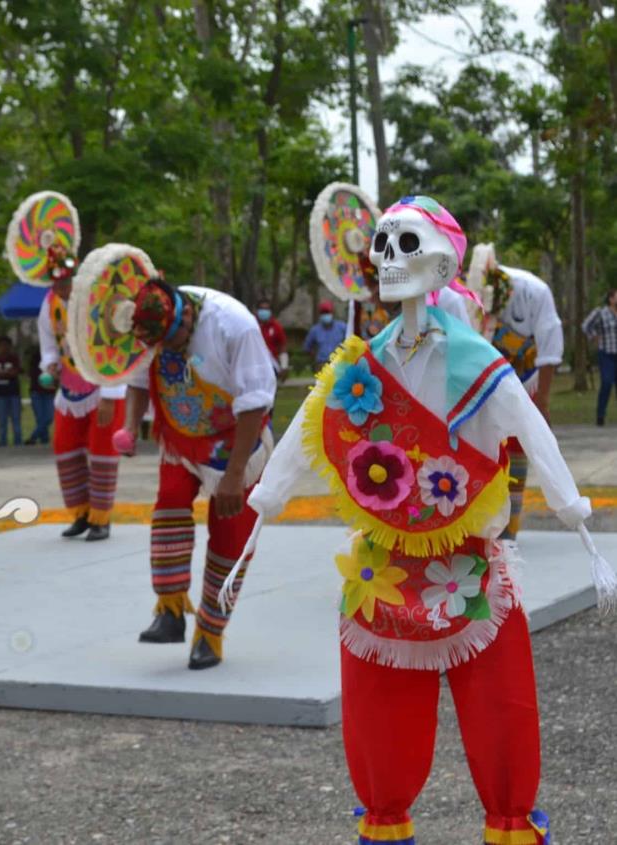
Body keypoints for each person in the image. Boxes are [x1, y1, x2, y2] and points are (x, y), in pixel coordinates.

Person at [229, 196, 611, 845]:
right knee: (380, 717)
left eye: (404, 244)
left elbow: (530, 429)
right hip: (379, 567)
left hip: (468, 565)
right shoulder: (359, 366)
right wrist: (266, 498)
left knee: (500, 712)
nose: (386, 261)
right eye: (380, 245)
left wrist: (572, 509)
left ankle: (511, 822)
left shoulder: (477, 366)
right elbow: (303, 432)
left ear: (441, 264)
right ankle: (384, 821)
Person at [116, 276, 276, 670]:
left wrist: (236, 475)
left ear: (184, 320)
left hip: (236, 440)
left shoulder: (233, 325)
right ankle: (169, 610)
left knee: (230, 533)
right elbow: (138, 381)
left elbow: (255, 403)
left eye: (170, 342)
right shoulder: (148, 325)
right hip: (181, 436)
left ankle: (210, 632)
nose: (164, 350)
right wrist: (131, 426)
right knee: (169, 500)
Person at [38, 242, 125, 541]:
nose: (61, 287)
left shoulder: (97, 301)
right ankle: (82, 513)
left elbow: (118, 348)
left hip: (103, 387)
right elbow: (49, 342)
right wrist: (49, 366)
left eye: (65, 281)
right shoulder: (49, 303)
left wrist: (111, 394)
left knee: (102, 452)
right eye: (56, 282)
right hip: (70, 389)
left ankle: (102, 518)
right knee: (65, 448)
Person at [479, 246, 564, 541]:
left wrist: (541, 402)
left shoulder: (535, 291)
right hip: (486, 379)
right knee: (483, 448)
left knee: (517, 448)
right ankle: (485, 525)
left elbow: (550, 348)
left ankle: (508, 532)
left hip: (526, 381)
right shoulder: (470, 294)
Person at [582, 289, 617, 426]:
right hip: (606, 354)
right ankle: (600, 415)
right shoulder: (601, 313)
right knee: (607, 383)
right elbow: (585, 326)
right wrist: (594, 336)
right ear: (610, 299)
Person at [0, 335, 23, 446]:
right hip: (0, 394)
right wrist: (6, 373)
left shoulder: (14, 358)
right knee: (2, 420)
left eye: (6, 345)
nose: (4, 348)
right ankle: (2, 442)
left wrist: (2, 374)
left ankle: (18, 441)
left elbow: (15, 372)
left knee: (16, 418)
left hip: (13, 393)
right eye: (1, 346)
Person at [25, 346, 55, 445]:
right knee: (40, 418)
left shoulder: (53, 364)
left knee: (49, 417)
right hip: (37, 393)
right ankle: (44, 439)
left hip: (49, 394)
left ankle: (33, 437)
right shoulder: (34, 365)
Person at [304, 300, 347, 369]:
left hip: (339, 363)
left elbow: (351, 340)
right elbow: (307, 347)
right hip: (322, 364)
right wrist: (314, 359)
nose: (325, 315)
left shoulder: (342, 327)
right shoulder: (315, 330)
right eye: (323, 313)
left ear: (332, 313)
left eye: (327, 312)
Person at [255, 297, 289, 381]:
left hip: (271, 367)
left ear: (270, 312)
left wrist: (284, 366)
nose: (264, 312)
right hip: (254, 367)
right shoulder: (252, 325)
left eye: (266, 309)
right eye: (262, 309)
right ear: (257, 311)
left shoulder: (276, 327)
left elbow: (283, 346)